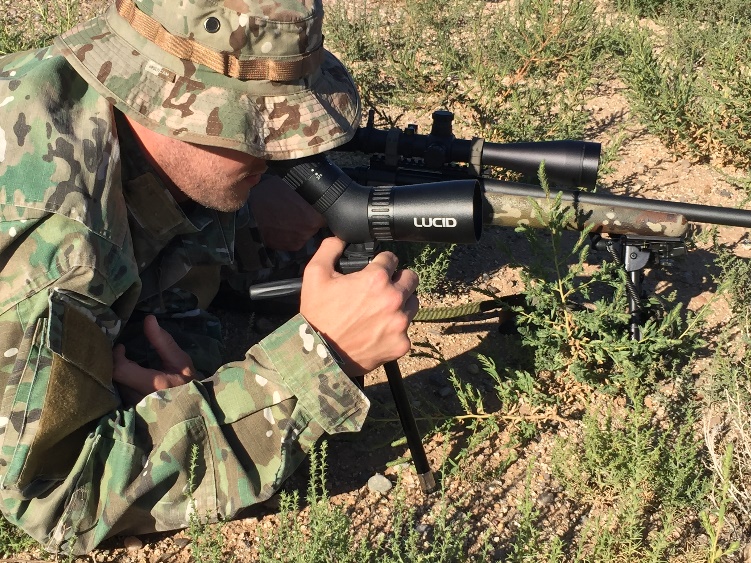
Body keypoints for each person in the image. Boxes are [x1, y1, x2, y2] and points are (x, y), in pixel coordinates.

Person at [0, 0, 419, 555]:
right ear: (165, 102)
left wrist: (245, 207)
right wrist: (320, 358)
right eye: (261, 127)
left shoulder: (89, 108)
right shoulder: (62, 245)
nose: (292, 152)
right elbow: (59, 495)